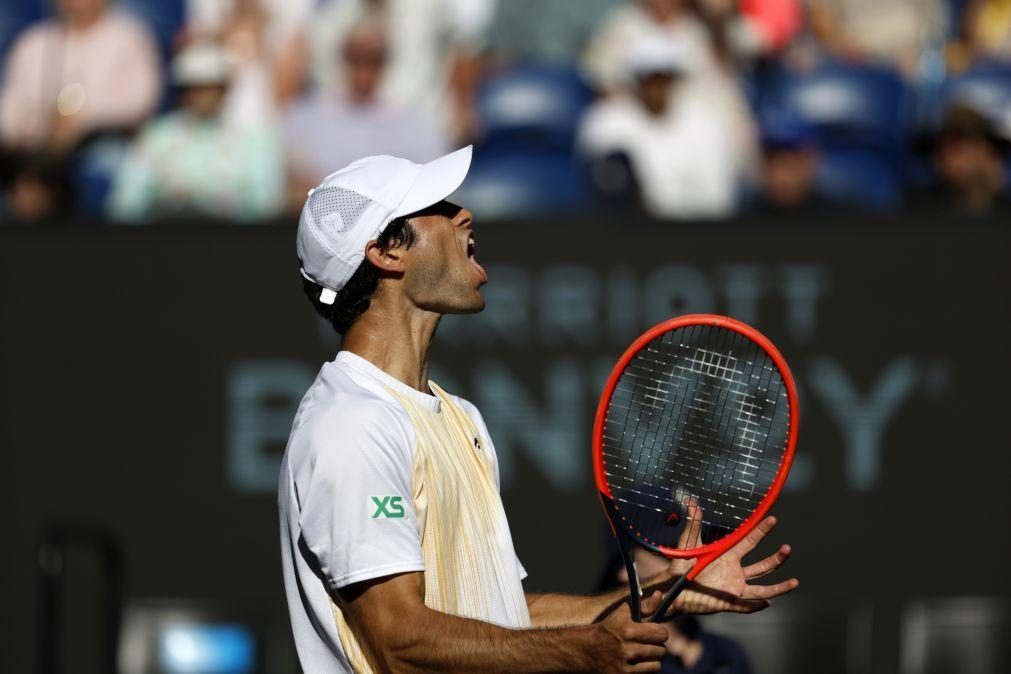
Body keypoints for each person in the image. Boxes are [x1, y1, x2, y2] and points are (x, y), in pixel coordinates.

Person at [277, 145, 799, 672]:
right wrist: (582, 652)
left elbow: (505, 617)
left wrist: (666, 590)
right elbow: (401, 645)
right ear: (387, 252)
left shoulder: (460, 418)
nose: (464, 214)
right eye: (439, 204)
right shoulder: (351, 424)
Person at [107, 41, 283, 222]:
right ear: (184, 92)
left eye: (211, 87)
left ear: (225, 90)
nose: (203, 97)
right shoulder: (157, 136)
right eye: (195, 88)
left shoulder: (254, 140)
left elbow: (266, 205)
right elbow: (127, 203)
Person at [578, 37, 752, 219]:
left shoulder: (706, 124)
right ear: (635, 79)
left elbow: (719, 198)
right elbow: (602, 191)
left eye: (663, 77)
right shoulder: (606, 122)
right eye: (648, 77)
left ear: (674, 79)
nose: (655, 87)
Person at [282, 20, 448, 207]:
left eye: (373, 59)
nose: (364, 69)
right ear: (345, 58)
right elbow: (292, 180)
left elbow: (431, 179)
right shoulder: (307, 116)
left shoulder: (412, 122)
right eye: (356, 58)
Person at [0, 0, 160, 153]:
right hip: (33, 145)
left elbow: (138, 103)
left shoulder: (130, 38)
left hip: (101, 141)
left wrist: (79, 119)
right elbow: (10, 106)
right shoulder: (32, 42)